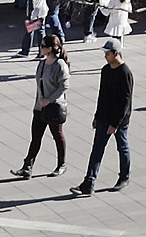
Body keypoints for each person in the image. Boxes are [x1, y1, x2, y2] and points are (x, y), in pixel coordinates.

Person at [71, 37, 134, 195]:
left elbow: (125, 101)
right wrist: (97, 115)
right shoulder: (105, 70)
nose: (105, 56)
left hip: (118, 120)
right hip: (104, 117)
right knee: (97, 150)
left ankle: (124, 177)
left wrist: (115, 123)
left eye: (108, 54)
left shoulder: (125, 73)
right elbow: (102, 94)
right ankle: (88, 183)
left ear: (116, 53)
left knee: (122, 147)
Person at [16, 34, 69, 177]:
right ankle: (27, 166)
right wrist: (37, 104)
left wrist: (49, 100)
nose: (40, 48)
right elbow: (39, 87)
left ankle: (61, 164)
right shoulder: (42, 63)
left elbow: (64, 86)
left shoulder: (59, 65)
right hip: (39, 108)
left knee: (57, 135)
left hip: (54, 107)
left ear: (50, 49)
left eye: (43, 46)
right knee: (36, 137)